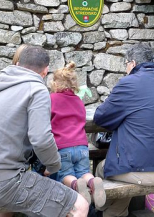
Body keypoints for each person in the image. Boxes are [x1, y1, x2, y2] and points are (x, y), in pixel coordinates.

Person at [0, 45, 89, 217]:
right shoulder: (37, 90)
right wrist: (54, 166)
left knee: (8, 204)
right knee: (79, 205)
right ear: (45, 71)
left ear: (18, 64)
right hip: (0, 184)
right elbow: (41, 139)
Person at [93, 43, 154, 217]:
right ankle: (112, 212)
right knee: (125, 169)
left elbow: (101, 117)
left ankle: (99, 210)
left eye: (125, 66)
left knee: (104, 169)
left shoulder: (128, 83)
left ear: (132, 63)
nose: (125, 70)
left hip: (144, 171)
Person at [48, 62, 105, 208]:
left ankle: (75, 184)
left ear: (55, 83)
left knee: (65, 175)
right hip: (81, 147)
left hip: (62, 148)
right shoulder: (78, 101)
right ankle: (92, 181)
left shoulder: (51, 99)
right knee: (84, 172)